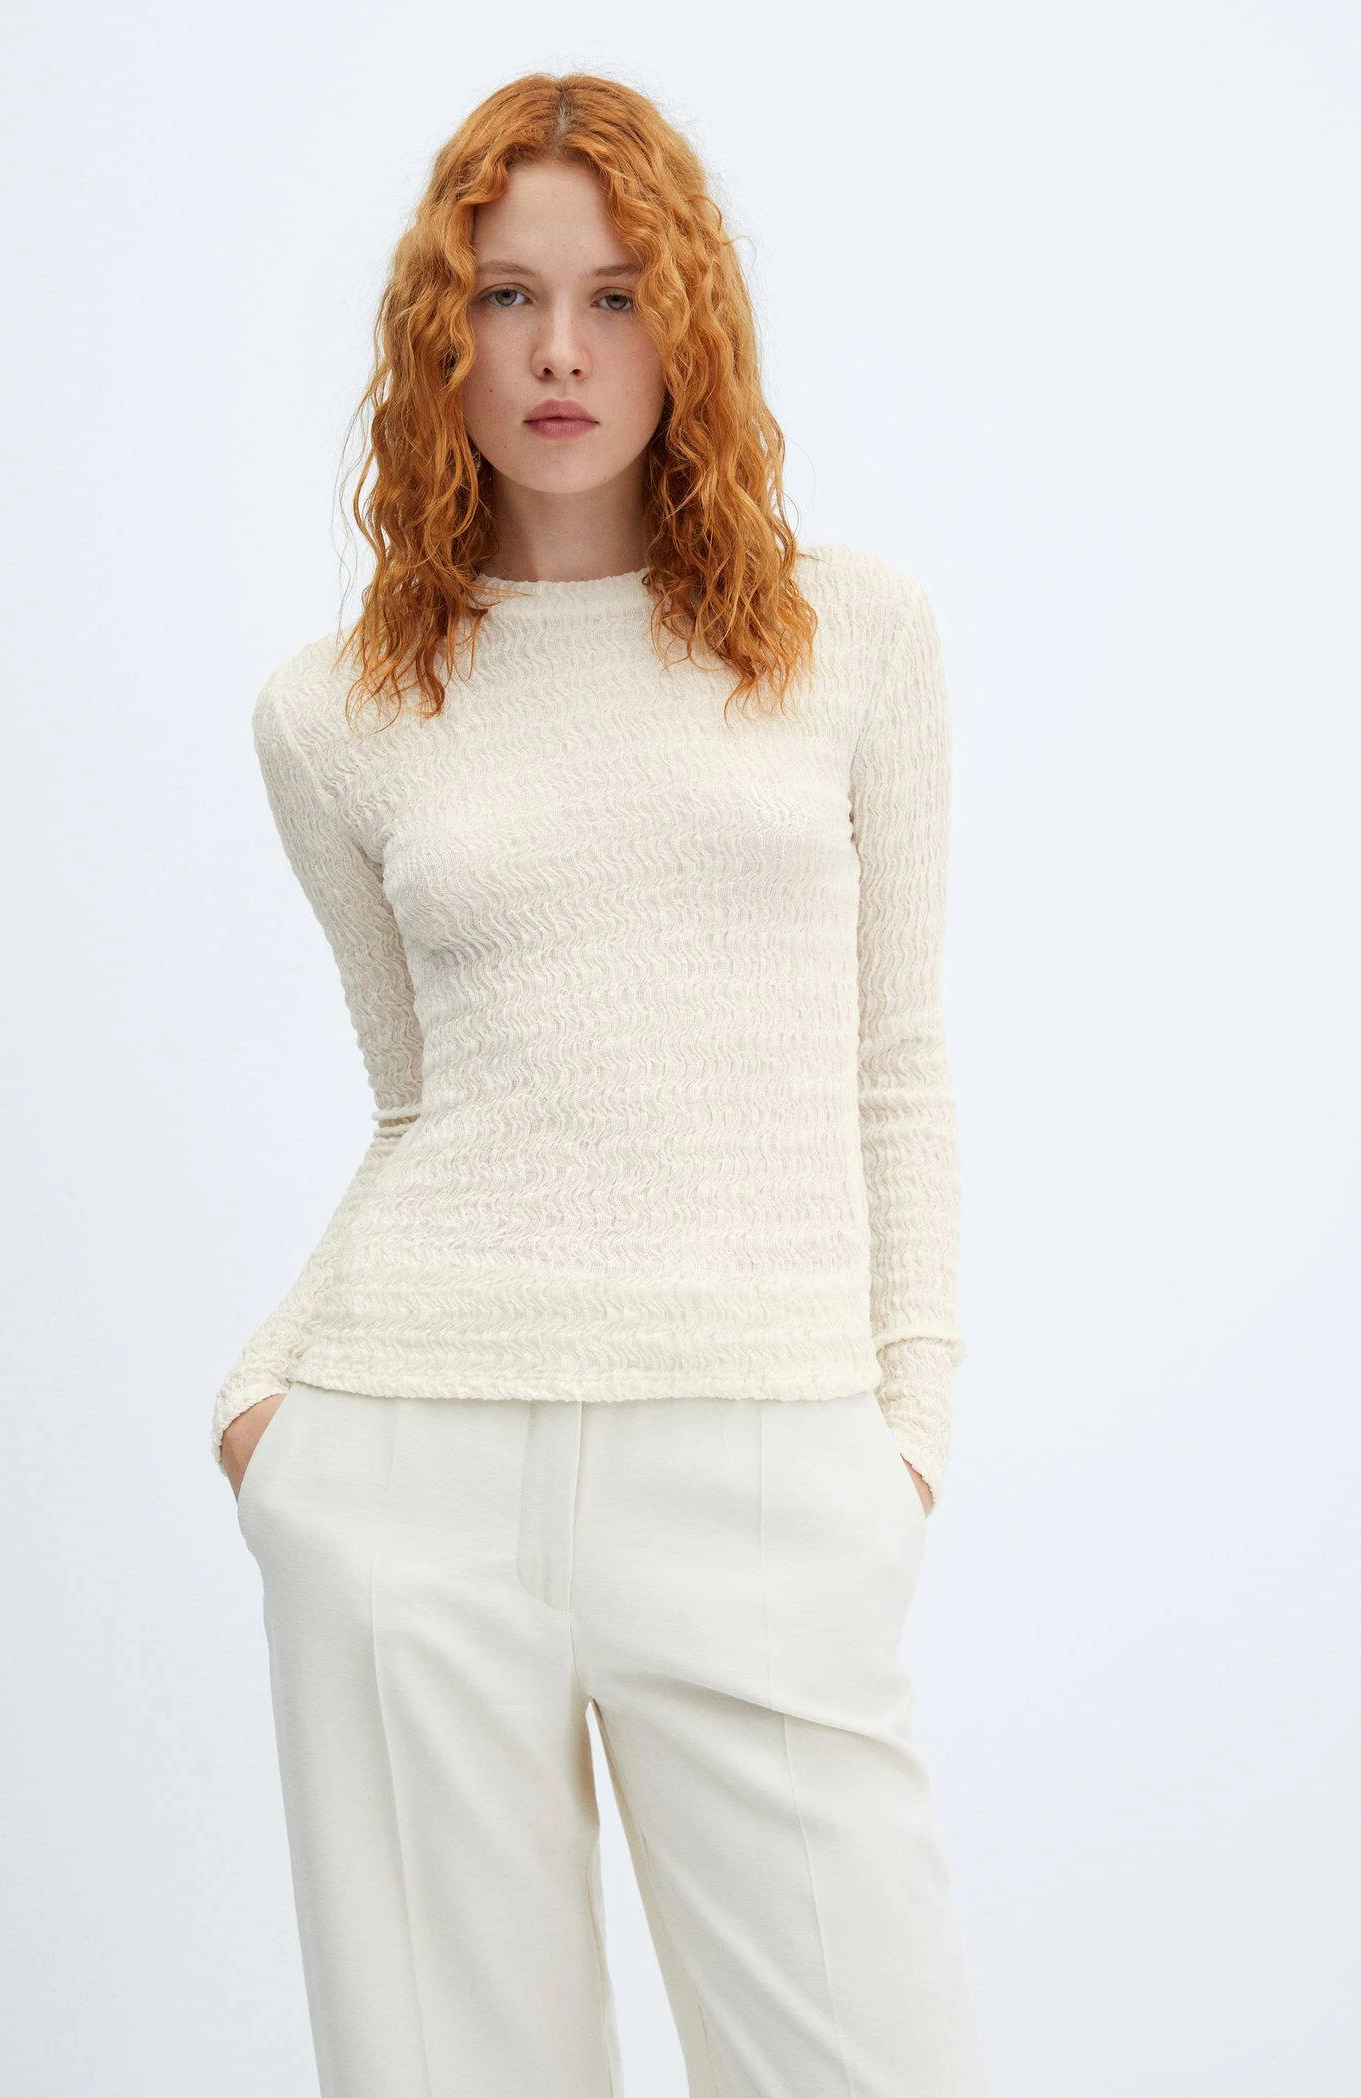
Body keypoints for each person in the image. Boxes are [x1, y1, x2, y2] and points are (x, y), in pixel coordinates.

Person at [213, 69, 987, 2098]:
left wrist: (904, 1427)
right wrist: (272, 1411)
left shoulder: (851, 641)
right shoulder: (331, 714)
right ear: (438, 332)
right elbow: (419, 1105)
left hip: (763, 1459)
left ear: (689, 320)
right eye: (507, 295)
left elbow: (897, 1060)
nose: (560, 350)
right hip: (408, 1461)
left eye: (618, 296)